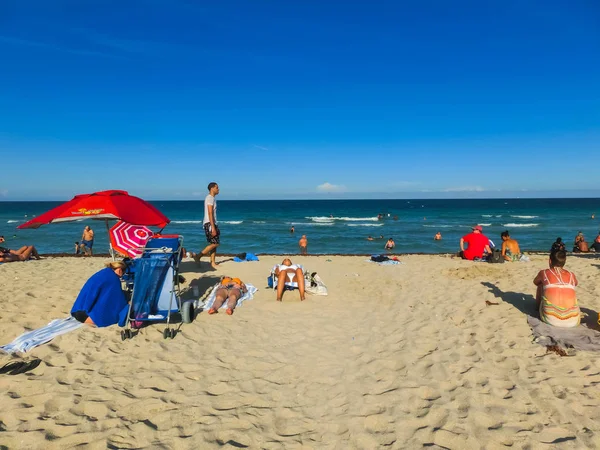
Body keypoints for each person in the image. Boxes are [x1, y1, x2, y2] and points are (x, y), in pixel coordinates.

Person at [70, 261, 129, 327]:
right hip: (85, 316)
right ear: (120, 270)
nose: (122, 276)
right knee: (118, 312)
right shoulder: (114, 279)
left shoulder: (104, 272)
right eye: (123, 273)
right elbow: (117, 299)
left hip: (77, 310)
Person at [533, 250, 580, 328]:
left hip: (551, 318)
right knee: (570, 289)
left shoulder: (543, 272)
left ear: (550, 261)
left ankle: (538, 308)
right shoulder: (571, 275)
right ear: (564, 262)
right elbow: (575, 283)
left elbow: (535, 282)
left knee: (540, 284)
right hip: (573, 319)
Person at [193, 182, 220, 269]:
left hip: (212, 223)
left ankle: (212, 262)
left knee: (214, 243)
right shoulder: (210, 198)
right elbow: (210, 212)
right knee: (215, 243)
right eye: (217, 187)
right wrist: (212, 227)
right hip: (209, 223)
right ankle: (198, 256)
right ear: (212, 188)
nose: (218, 189)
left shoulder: (211, 198)